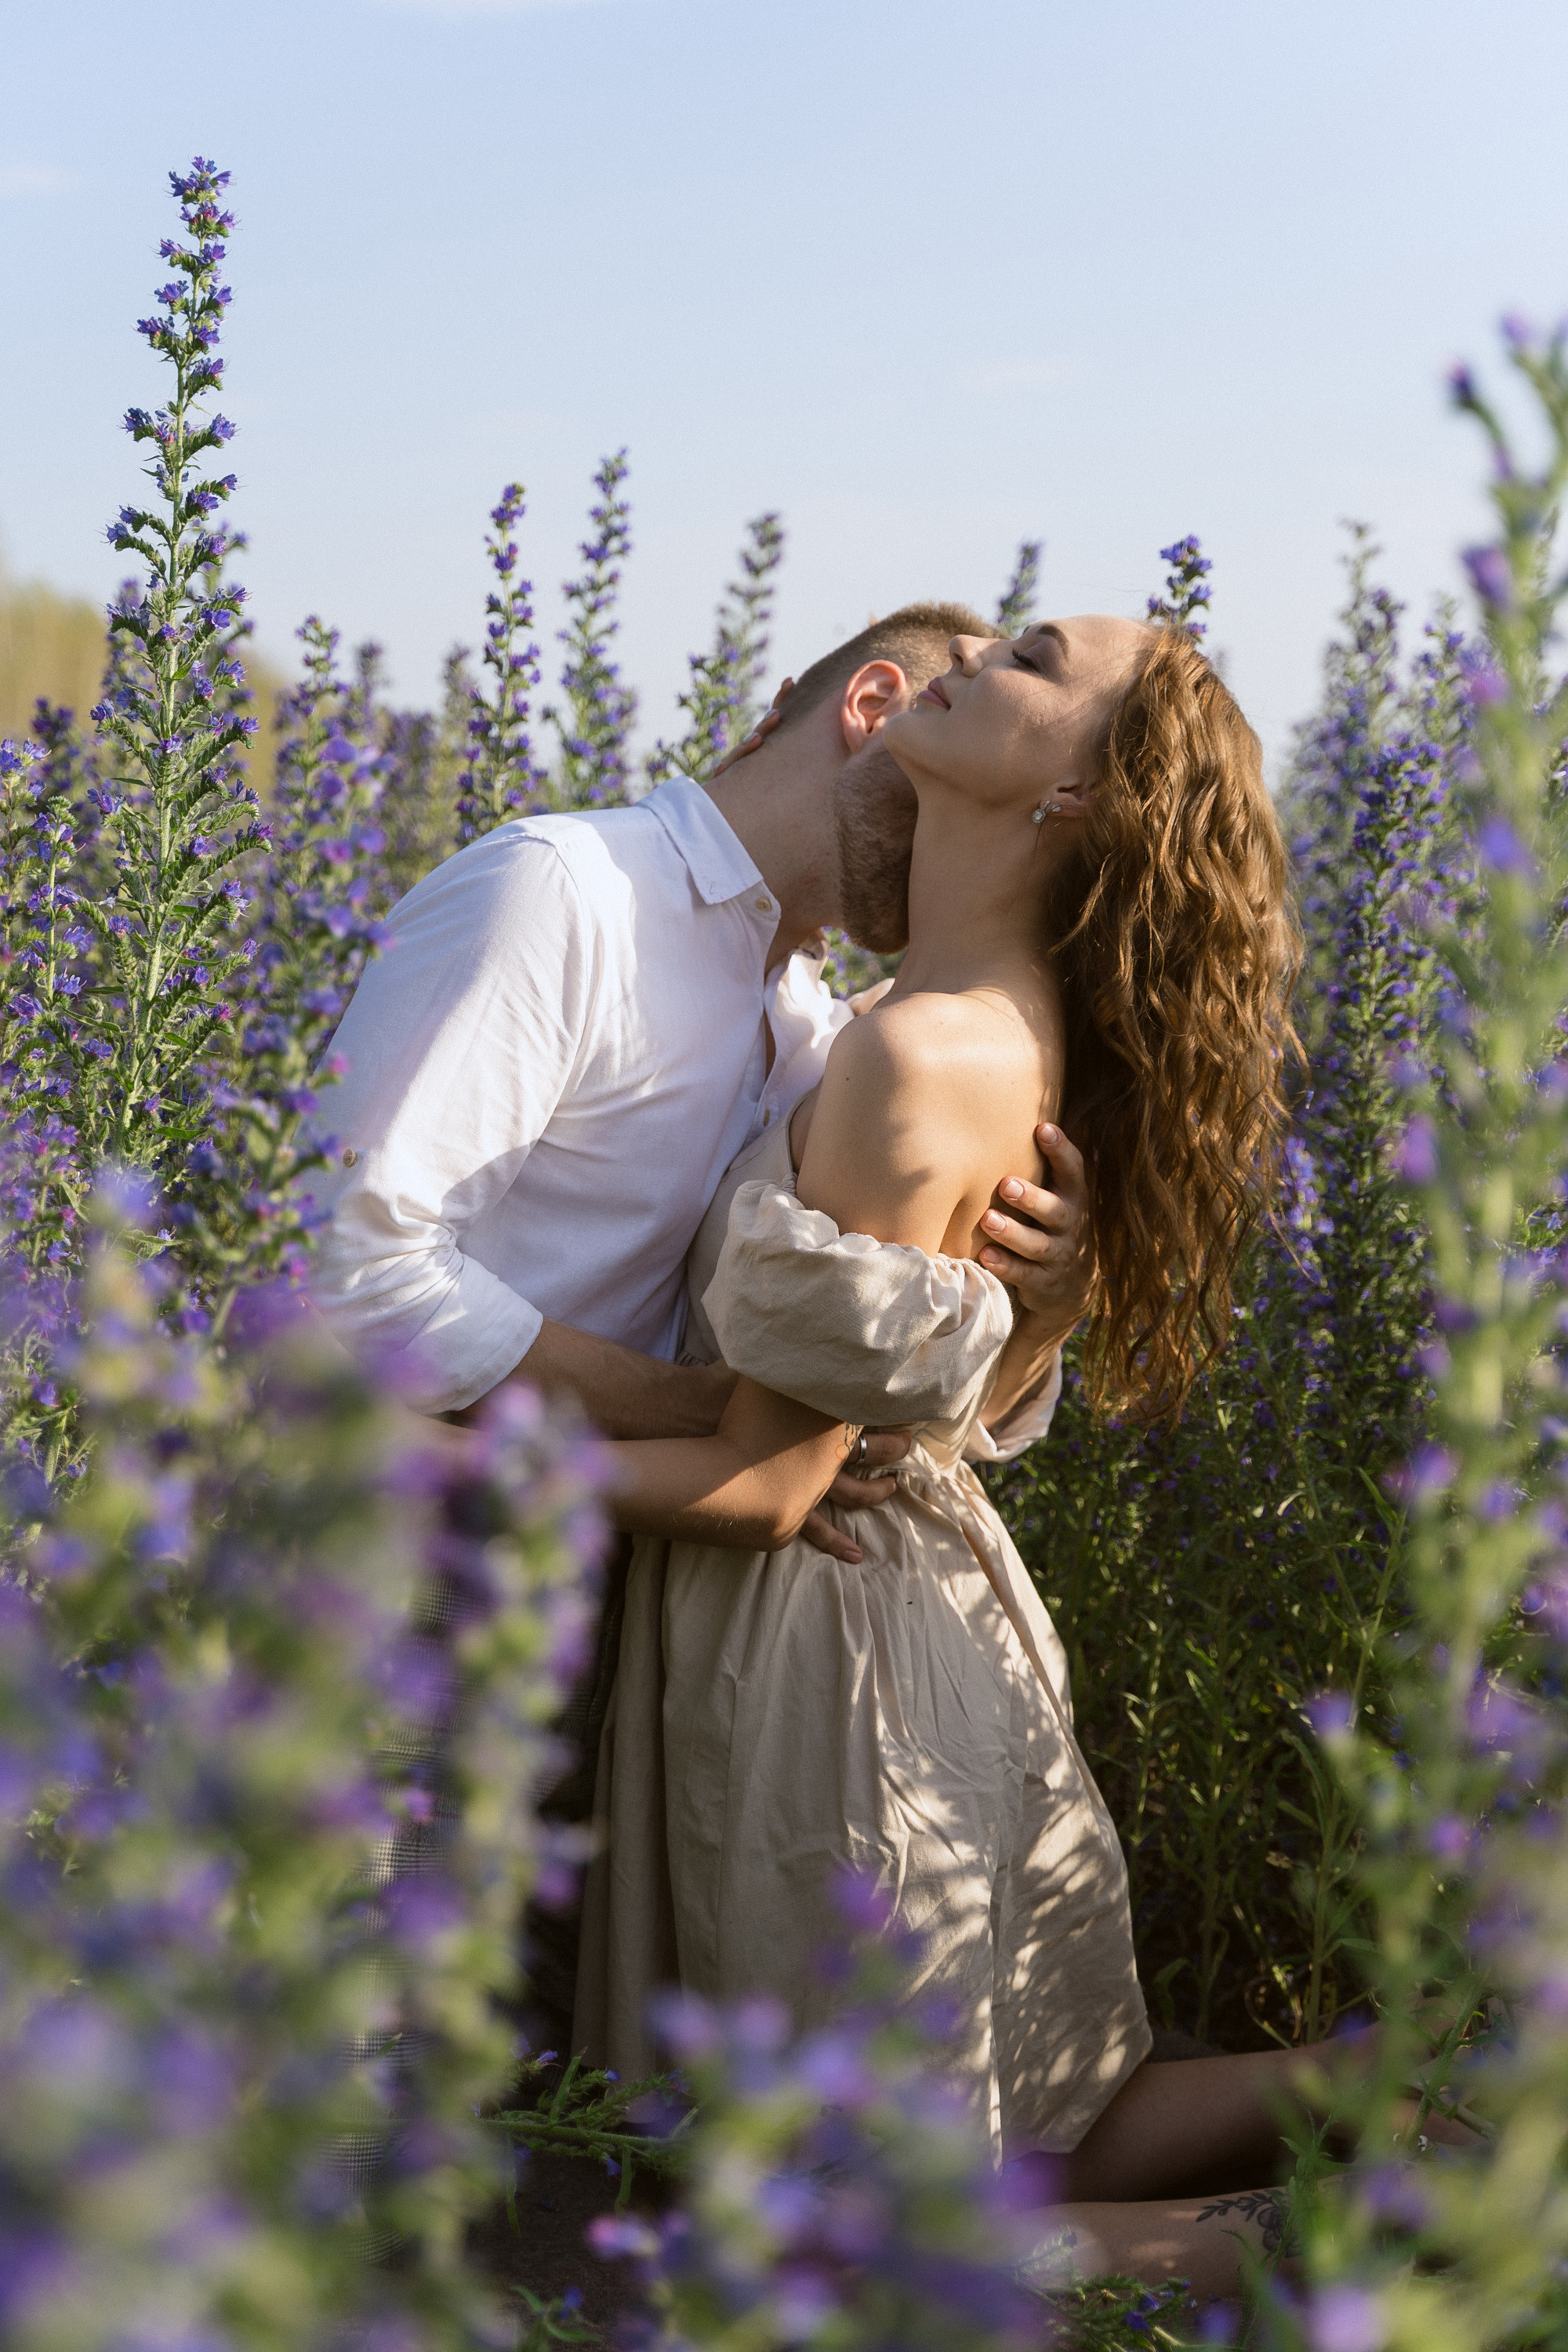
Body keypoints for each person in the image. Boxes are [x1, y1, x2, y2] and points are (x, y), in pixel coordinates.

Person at [575, 613, 1319, 2296]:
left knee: (853, 2253)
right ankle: (1400, 2103)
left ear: (1079, 794)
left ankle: (1328, 2239)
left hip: (823, 1677)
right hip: (927, 1632)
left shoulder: (918, 1051)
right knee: (1027, 2123)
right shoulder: (975, 1022)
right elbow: (936, 1392)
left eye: (1042, 658)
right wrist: (1036, 1320)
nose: (989, 644)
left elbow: (770, 1489)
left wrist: (423, 1455)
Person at [306, 598, 1097, 2035]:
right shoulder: (564, 891)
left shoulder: (810, 1027)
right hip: (395, 1563)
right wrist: (701, 1415)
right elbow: (347, 1260)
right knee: (344, 2081)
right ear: (875, 708)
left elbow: (877, 1365)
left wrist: (1038, 1305)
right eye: (921, 801)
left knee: (480, 2104)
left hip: (606, 1583)